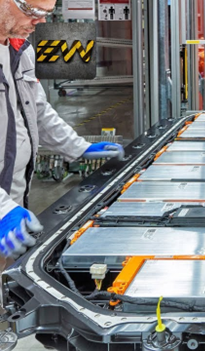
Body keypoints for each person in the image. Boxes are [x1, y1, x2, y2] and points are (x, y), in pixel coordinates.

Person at [0, 0, 124, 258]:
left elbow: (37, 109)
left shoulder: (21, 49)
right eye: (33, 11)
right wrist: (2, 211)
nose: (41, 21)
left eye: (46, 12)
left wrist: (79, 147)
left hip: (13, 208)